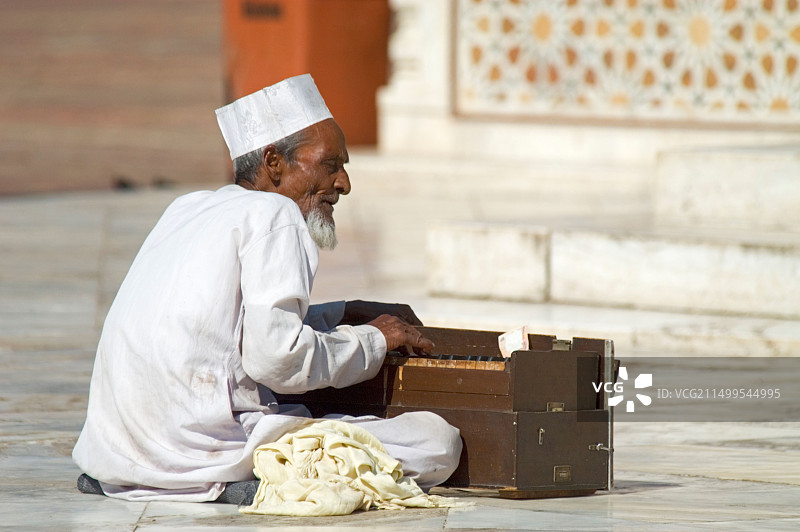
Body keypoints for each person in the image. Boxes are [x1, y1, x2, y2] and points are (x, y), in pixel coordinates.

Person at [72, 74, 462, 503]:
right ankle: (234, 479)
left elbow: (228, 327)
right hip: (198, 449)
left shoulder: (188, 206)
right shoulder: (275, 213)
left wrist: (341, 312)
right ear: (274, 163)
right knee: (437, 441)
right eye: (331, 164)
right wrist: (375, 339)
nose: (344, 184)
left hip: (116, 449)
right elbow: (277, 359)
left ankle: (148, 474)